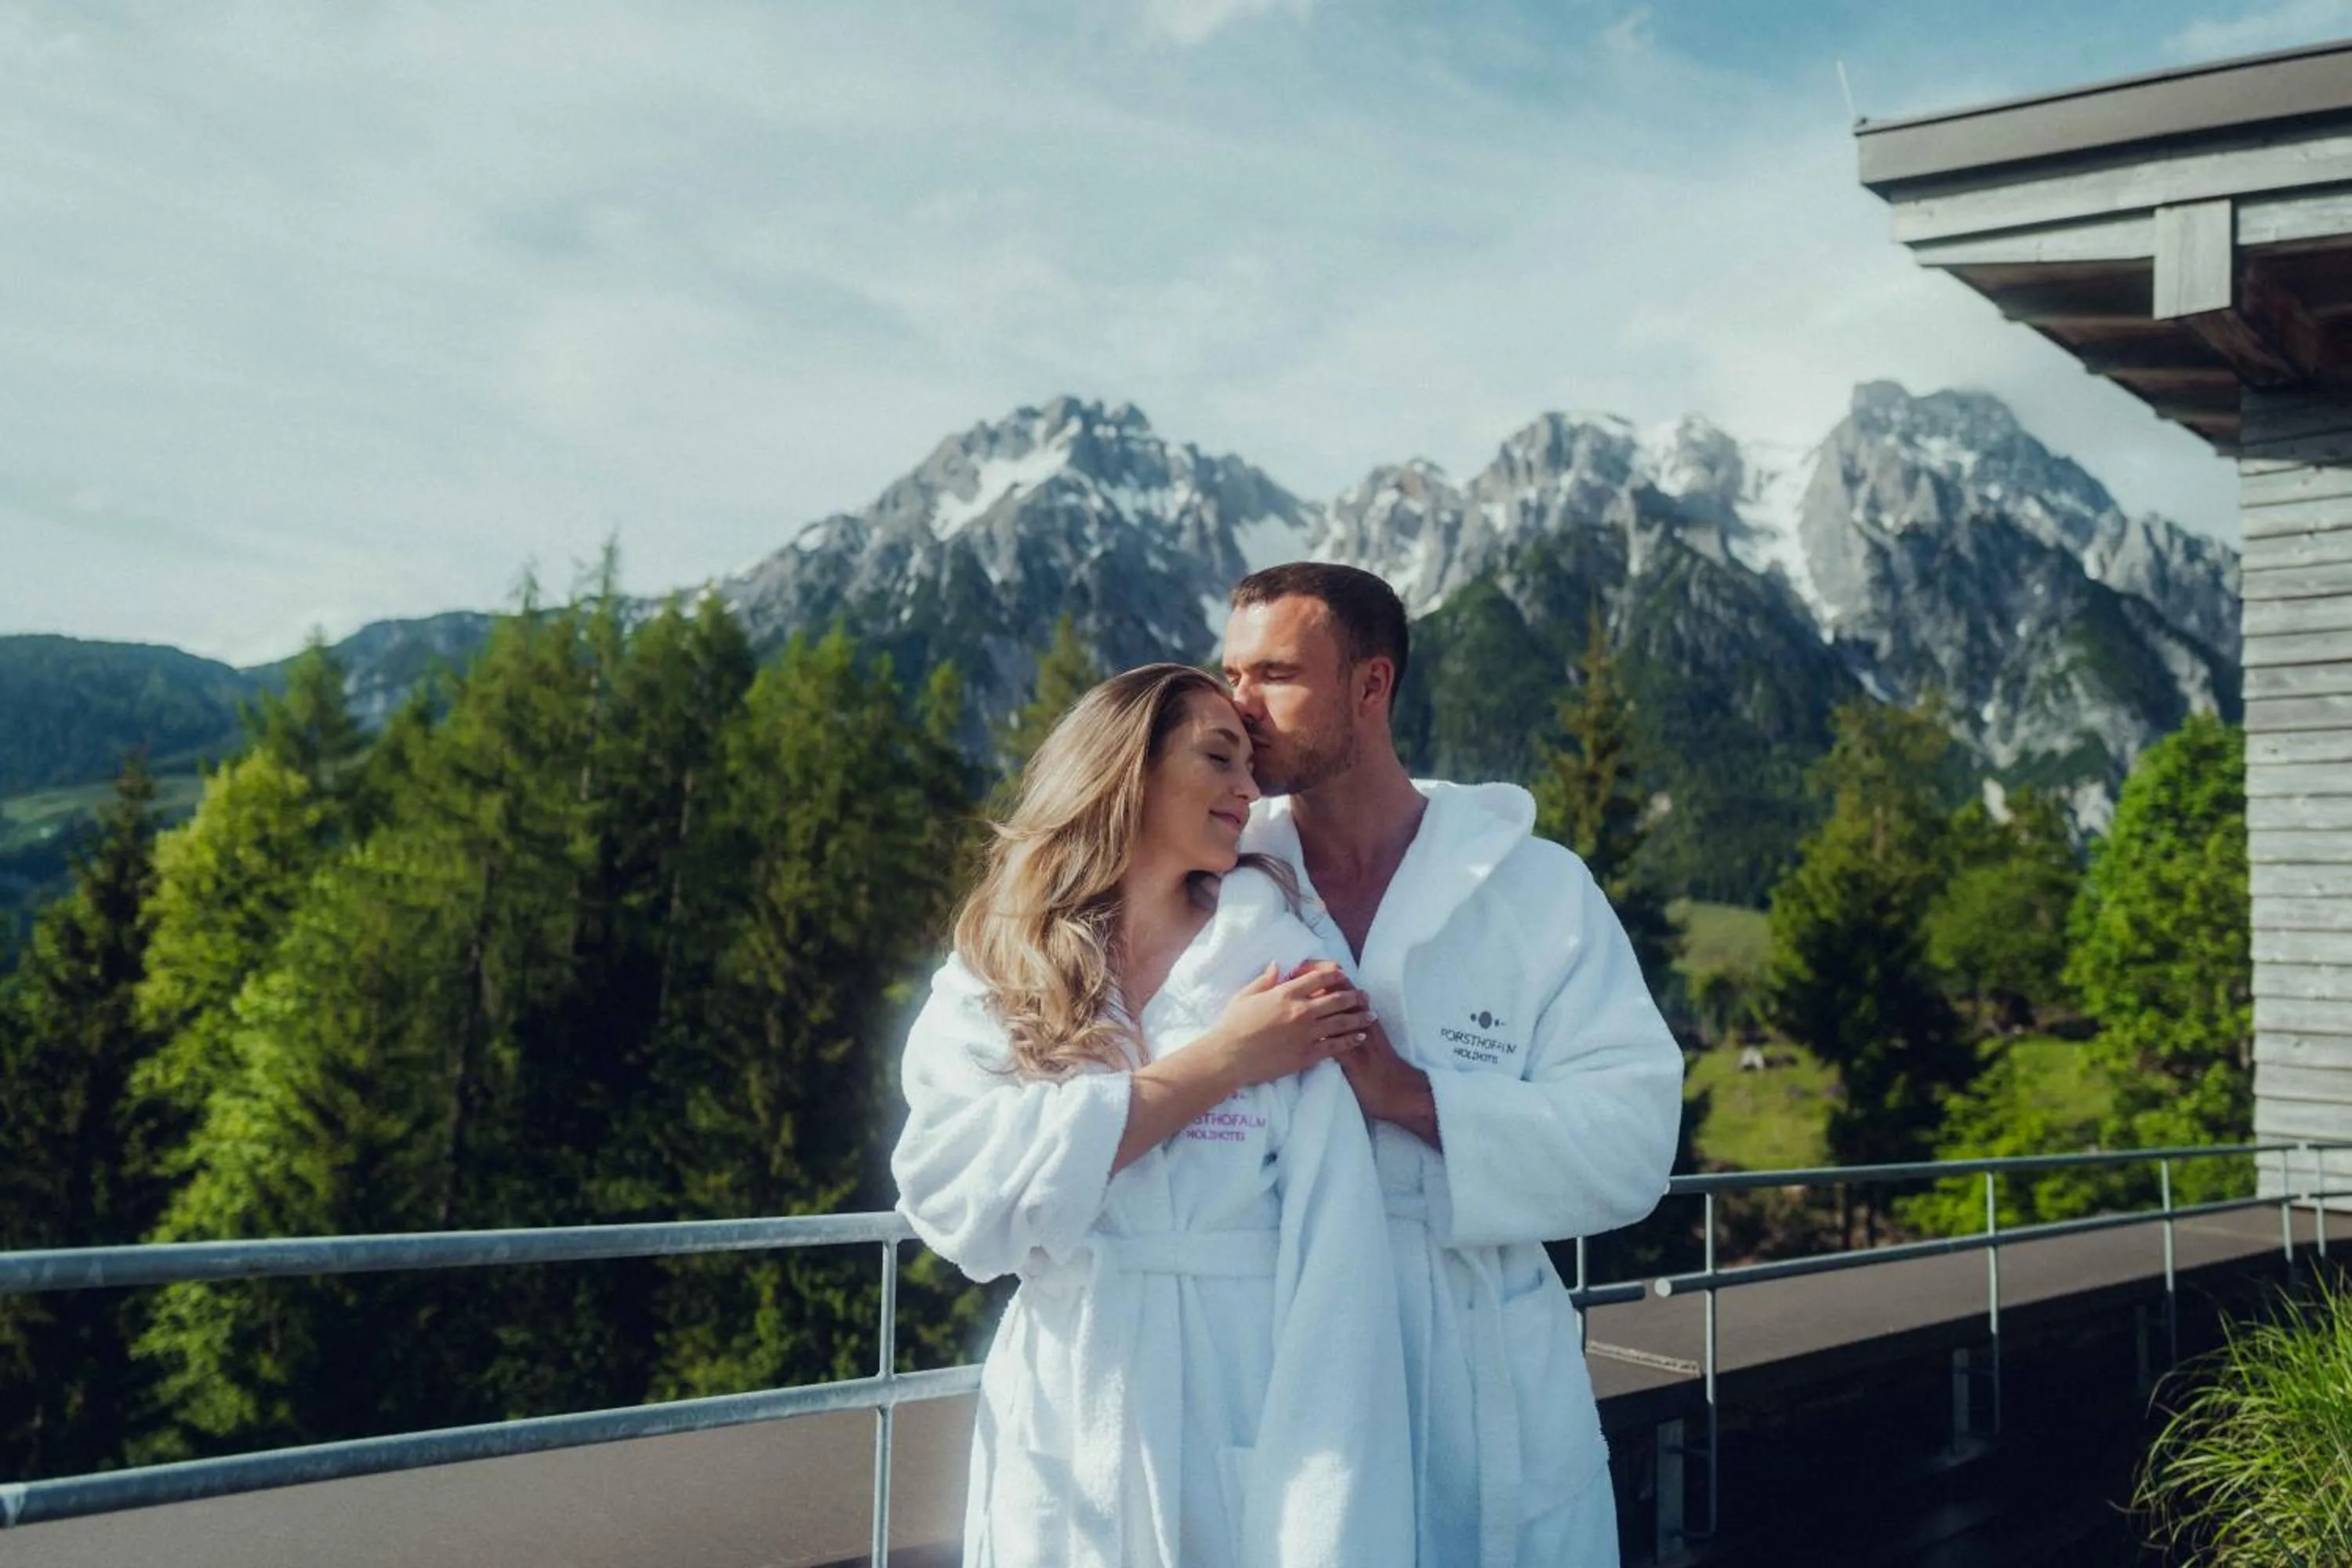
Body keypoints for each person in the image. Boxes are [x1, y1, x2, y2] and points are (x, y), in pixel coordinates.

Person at [891, 662, 1416, 1568]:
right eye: (1220, 756)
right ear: (1128, 768)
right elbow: (955, 1198)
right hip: (1061, 1409)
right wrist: (1221, 1061)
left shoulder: (1287, 972)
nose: (1251, 790)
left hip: (1240, 1399)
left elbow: (1340, 1272)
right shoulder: (1000, 972)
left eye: (1251, 764)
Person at [1221, 563, 1685, 1568]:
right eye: (1230, 674)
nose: (1239, 707)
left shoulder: (1534, 888)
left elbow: (1636, 1140)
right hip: (1271, 1348)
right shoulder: (1217, 879)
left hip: (1477, 1359)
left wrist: (1410, 1094)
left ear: (1370, 684)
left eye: (1274, 674)